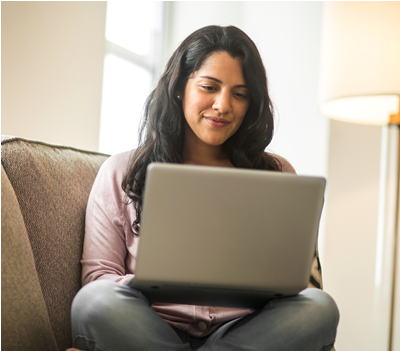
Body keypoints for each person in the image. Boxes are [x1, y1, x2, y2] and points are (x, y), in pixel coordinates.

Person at [70, 25, 339, 351]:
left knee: (319, 307)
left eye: (239, 94)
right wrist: (154, 287)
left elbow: (299, 286)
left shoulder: (277, 173)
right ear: (180, 88)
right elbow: (99, 278)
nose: (223, 105)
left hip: (249, 332)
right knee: (94, 301)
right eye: (209, 87)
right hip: (150, 328)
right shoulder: (122, 172)